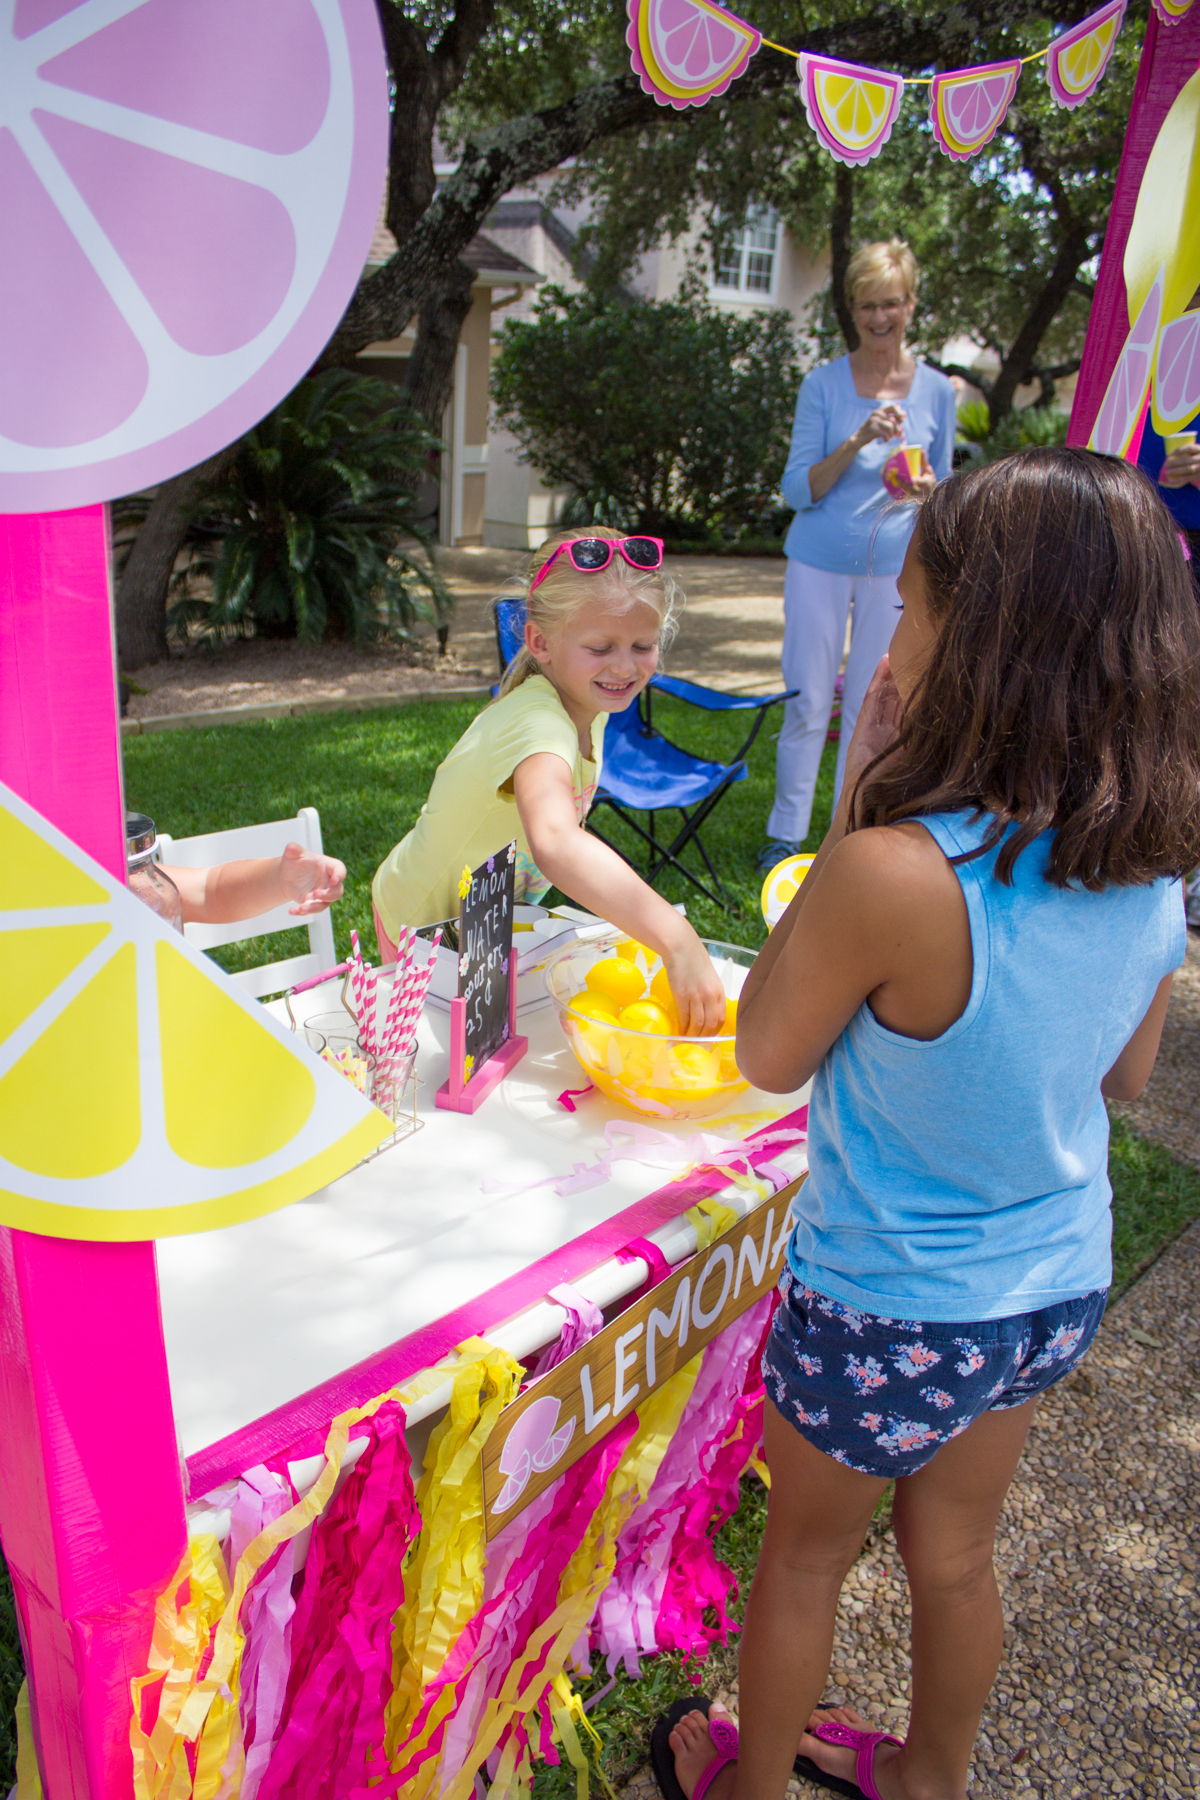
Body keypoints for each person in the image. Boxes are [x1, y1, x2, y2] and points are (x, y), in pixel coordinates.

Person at [657, 449, 1200, 1800]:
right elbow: (1126, 1080)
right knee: (956, 1557)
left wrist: (863, 795)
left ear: (985, 640)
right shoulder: (1148, 863)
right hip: (1044, 1292)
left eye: (907, 605)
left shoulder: (892, 872)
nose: (890, 637)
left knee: (806, 1560)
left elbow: (766, 1051)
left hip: (884, 1304)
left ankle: (750, 1787)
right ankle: (931, 1778)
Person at [371, 529, 726, 1032]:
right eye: (600, 647)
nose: (624, 666)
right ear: (540, 642)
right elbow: (557, 841)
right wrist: (677, 936)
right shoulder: (538, 722)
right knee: (435, 1076)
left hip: (484, 926)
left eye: (642, 645)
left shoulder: (590, 705)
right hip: (425, 928)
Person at [758, 240, 957, 873]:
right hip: (818, 562)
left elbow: (946, 483)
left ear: (911, 305)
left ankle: (854, 828)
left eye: (891, 304)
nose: (879, 319)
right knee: (809, 701)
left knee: (881, 705)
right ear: (852, 308)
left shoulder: (936, 391)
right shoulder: (822, 385)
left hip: (895, 569)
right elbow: (798, 490)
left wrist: (928, 491)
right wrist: (859, 438)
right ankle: (785, 834)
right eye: (868, 306)